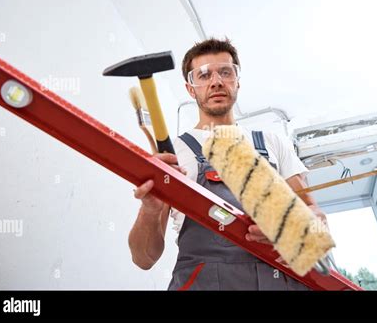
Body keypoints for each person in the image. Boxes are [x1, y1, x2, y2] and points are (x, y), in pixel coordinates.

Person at [129, 38, 327, 290]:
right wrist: (150, 210)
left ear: (237, 81)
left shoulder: (272, 142)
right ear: (191, 88)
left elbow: (317, 218)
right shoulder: (174, 154)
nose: (216, 81)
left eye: (225, 72)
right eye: (203, 75)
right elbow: (143, 259)